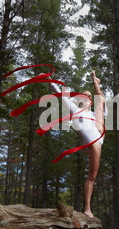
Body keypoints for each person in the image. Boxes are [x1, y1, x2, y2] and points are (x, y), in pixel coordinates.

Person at [44, 71, 106, 219]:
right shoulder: (75, 109)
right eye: (85, 96)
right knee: (92, 176)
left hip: (100, 134)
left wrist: (96, 94)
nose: (88, 98)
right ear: (80, 99)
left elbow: (98, 101)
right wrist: (51, 81)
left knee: (101, 101)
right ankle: (87, 208)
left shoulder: (92, 114)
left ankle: (95, 82)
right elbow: (60, 95)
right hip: (94, 142)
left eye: (90, 97)